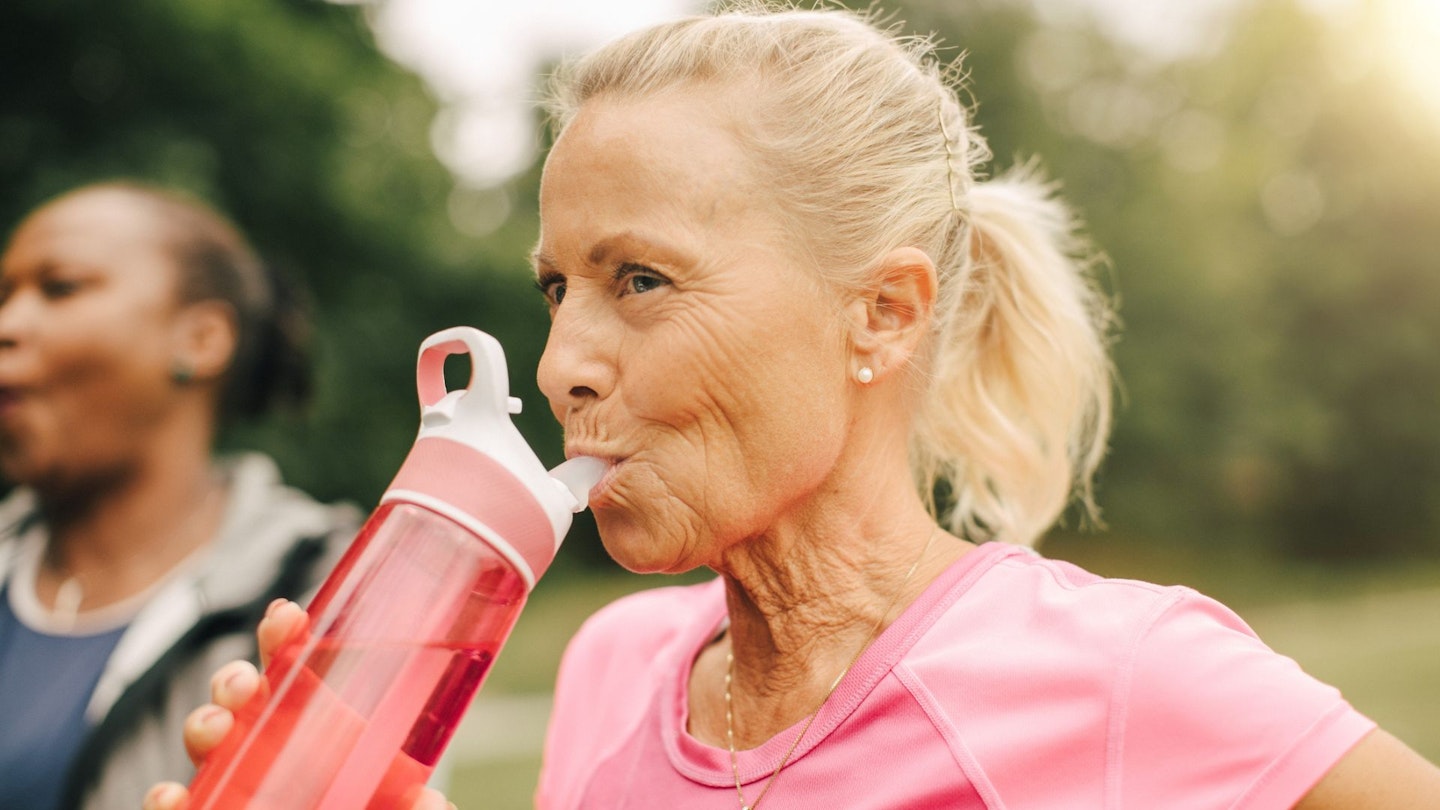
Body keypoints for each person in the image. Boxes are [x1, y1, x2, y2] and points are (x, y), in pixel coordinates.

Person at [149, 4, 1440, 808]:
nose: (557, 366)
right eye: (555, 287)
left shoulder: (1121, 678)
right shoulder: (612, 669)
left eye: (639, 279)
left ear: (880, 312)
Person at [0, 182, 361, 810]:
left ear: (200, 339)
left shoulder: (327, 584)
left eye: (60, 287)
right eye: (4, 296)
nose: (7, 323)